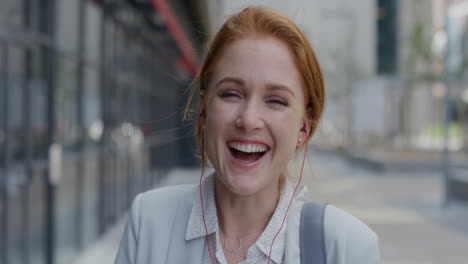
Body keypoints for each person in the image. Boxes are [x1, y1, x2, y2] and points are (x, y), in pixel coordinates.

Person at [115, 6, 379, 264]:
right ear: (204, 108)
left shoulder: (346, 247)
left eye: (276, 100)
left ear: (303, 126)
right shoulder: (149, 222)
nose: (249, 120)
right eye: (231, 93)